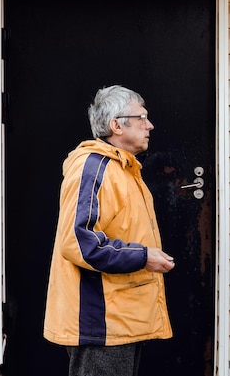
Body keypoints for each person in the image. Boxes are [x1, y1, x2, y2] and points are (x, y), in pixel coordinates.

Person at [43, 85, 175, 376]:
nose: (149, 125)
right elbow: (80, 242)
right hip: (100, 321)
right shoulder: (94, 167)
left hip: (122, 316)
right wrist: (143, 257)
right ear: (116, 125)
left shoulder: (124, 169)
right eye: (142, 117)